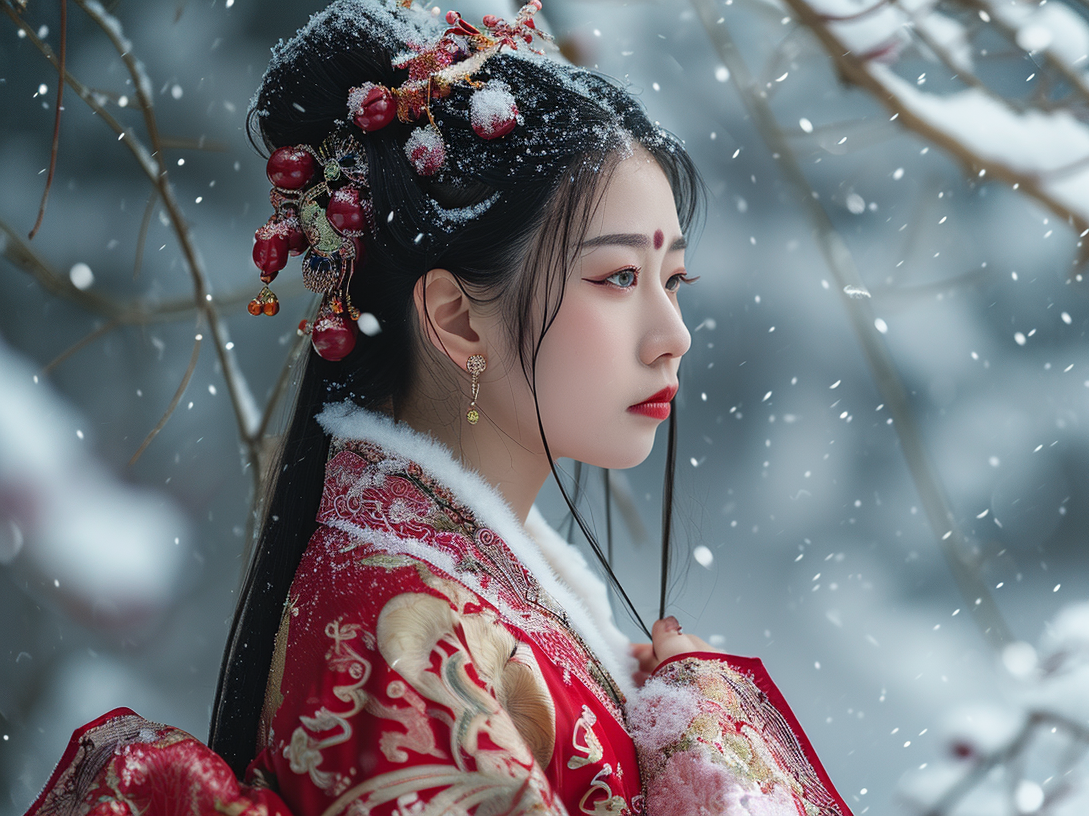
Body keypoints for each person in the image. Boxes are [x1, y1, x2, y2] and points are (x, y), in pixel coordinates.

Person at [23, 1, 849, 815]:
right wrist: (705, 744)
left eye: (673, 284)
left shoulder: (448, 589)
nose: (674, 337)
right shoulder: (407, 633)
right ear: (455, 317)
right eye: (618, 279)